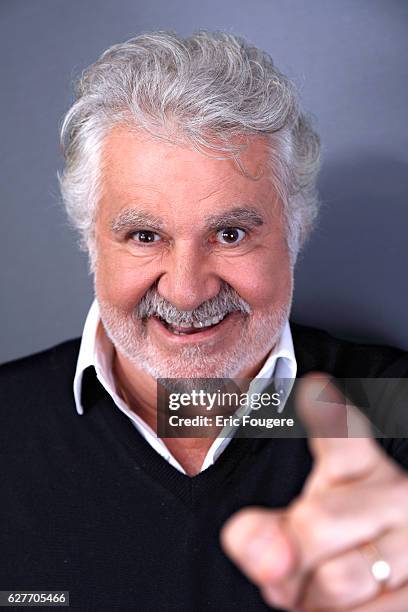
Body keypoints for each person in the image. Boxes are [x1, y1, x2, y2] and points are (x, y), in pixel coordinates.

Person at [1, 30, 408, 611]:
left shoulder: (394, 409)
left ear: (296, 233)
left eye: (231, 234)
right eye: (145, 236)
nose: (188, 291)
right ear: (91, 241)